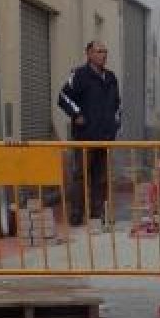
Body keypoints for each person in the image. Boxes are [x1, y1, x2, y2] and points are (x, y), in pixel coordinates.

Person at [57, 40, 121, 226]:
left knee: (101, 178)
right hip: (84, 137)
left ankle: (97, 213)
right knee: (80, 176)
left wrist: (115, 123)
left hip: (105, 137)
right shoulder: (79, 75)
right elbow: (63, 97)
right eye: (99, 51)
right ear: (89, 54)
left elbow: (117, 103)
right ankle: (77, 215)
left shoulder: (110, 78)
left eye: (105, 52)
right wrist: (76, 114)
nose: (103, 55)